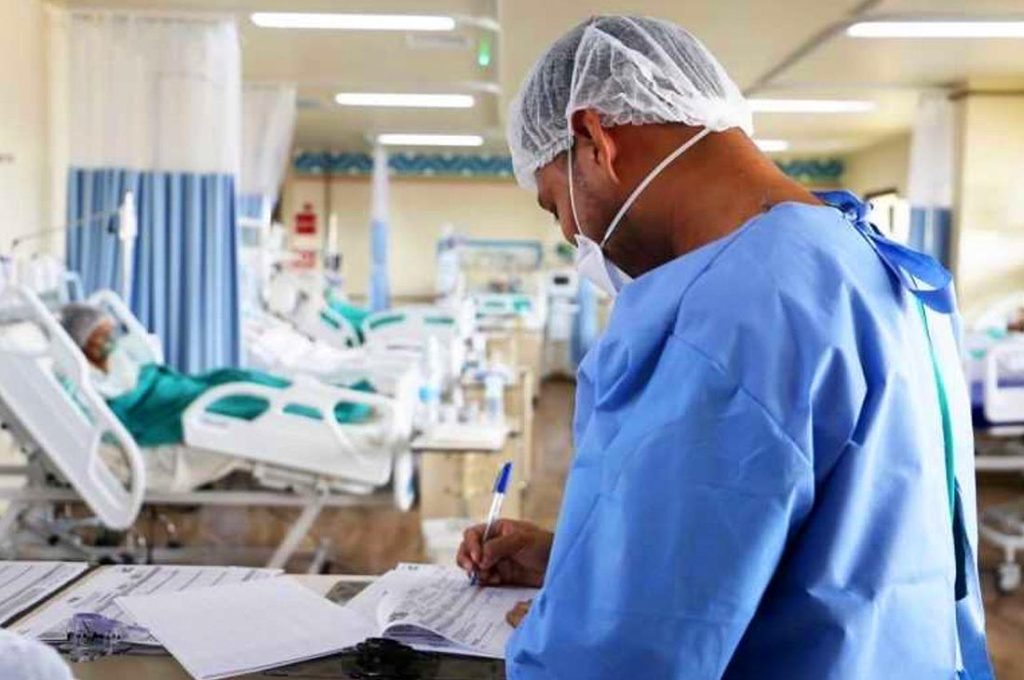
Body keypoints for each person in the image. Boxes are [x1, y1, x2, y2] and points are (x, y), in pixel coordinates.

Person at [457, 15, 993, 680]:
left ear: (594, 138)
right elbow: (828, 538)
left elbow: (624, 657)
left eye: (553, 204)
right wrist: (574, 560)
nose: (570, 233)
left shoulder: (730, 314)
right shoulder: (870, 262)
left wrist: (574, 618)